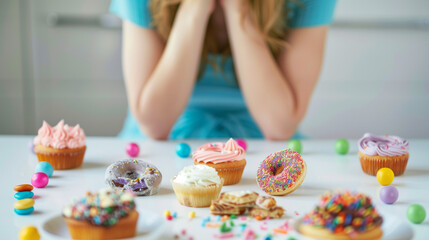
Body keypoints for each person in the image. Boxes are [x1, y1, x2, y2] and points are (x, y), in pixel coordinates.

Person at [110, 0, 336, 140]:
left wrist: (238, 9)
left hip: (264, 154)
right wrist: (194, 8)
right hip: (160, 149)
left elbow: (279, 125)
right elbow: (154, 124)